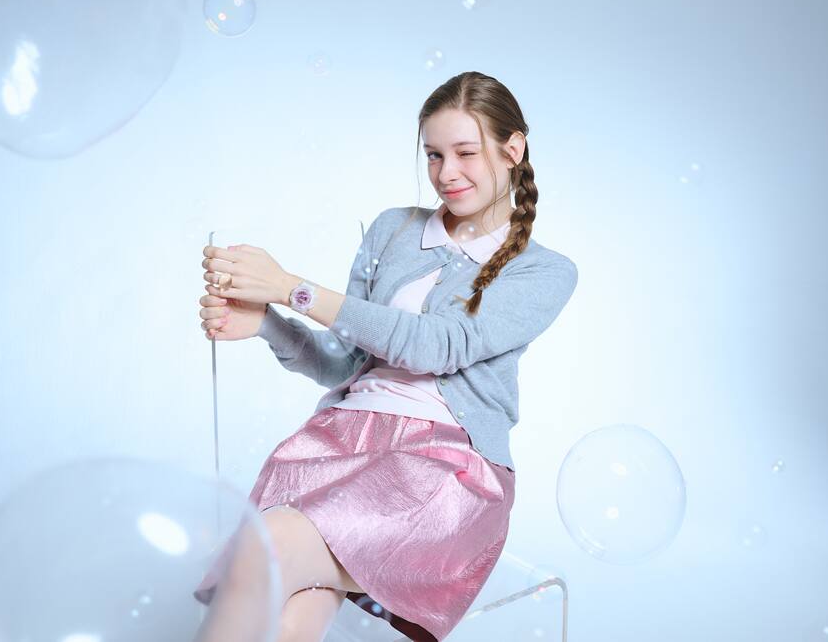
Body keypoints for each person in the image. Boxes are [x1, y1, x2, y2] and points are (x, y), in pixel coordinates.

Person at [192, 71, 579, 642]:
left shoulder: (544, 271)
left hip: (442, 468)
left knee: (267, 546)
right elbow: (345, 363)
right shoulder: (392, 229)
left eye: (466, 153)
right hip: (335, 444)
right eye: (433, 155)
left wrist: (291, 288)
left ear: (513, 148)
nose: (447, 174)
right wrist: (268, 323)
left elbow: (437, 346)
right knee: (295, 613)